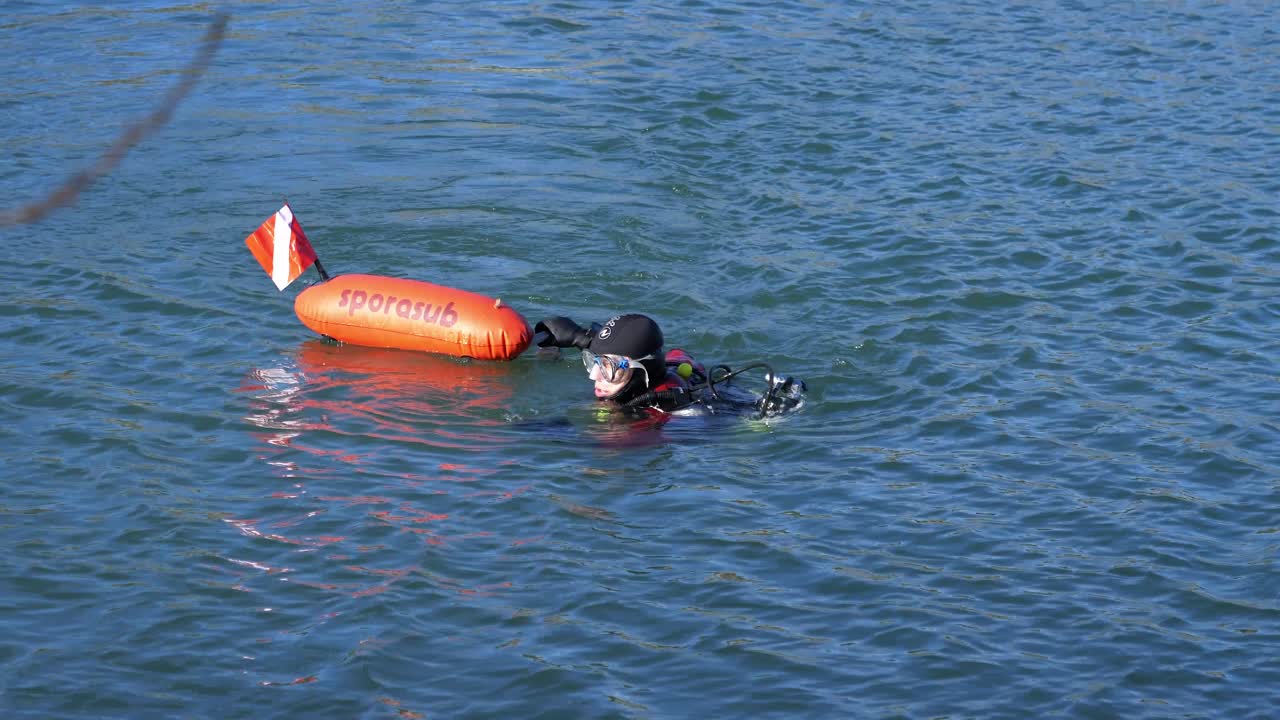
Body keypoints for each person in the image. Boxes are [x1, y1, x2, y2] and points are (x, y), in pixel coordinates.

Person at [533, 313, 806, 418]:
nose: (595, 376)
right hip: (676, 368)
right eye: (594, 362)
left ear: (643, 371)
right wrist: (580, 336)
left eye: (606, 367)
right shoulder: (633, 373)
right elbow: (613, 348)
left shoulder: (665, 413)